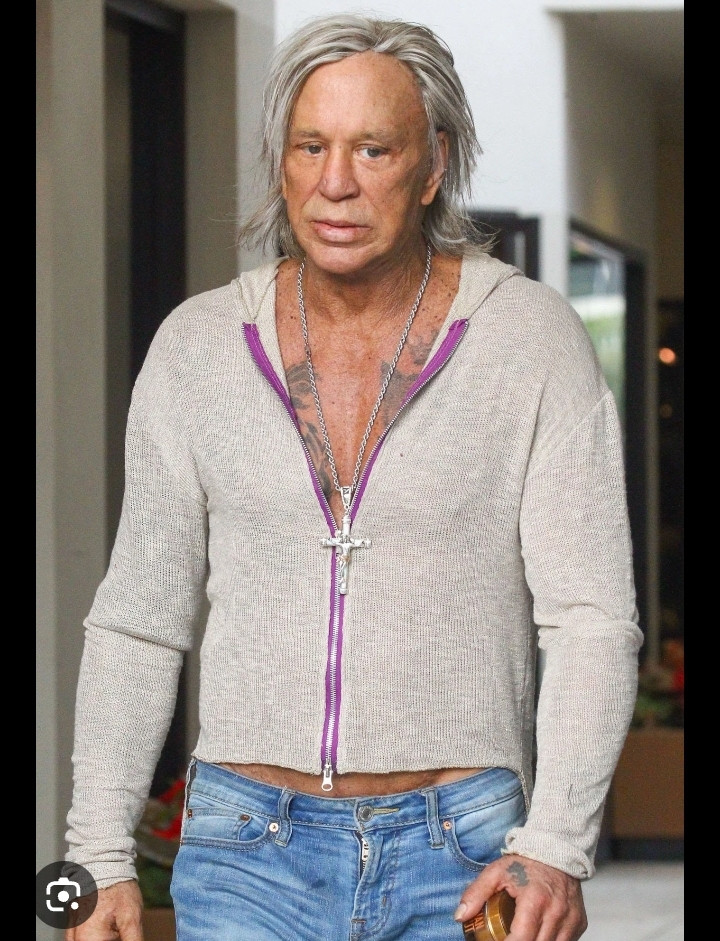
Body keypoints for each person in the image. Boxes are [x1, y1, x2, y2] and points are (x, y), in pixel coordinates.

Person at [64, 13, 643, 941]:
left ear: (434, 164)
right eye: (311, 147)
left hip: (463, 852)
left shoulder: (530, 340)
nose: (336, 183)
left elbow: (591, 619)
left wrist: (557, 844)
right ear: (280, 160)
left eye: (374, 149)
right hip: (245, 847)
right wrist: (96, 854)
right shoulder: (196, 348)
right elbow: (139, 618)